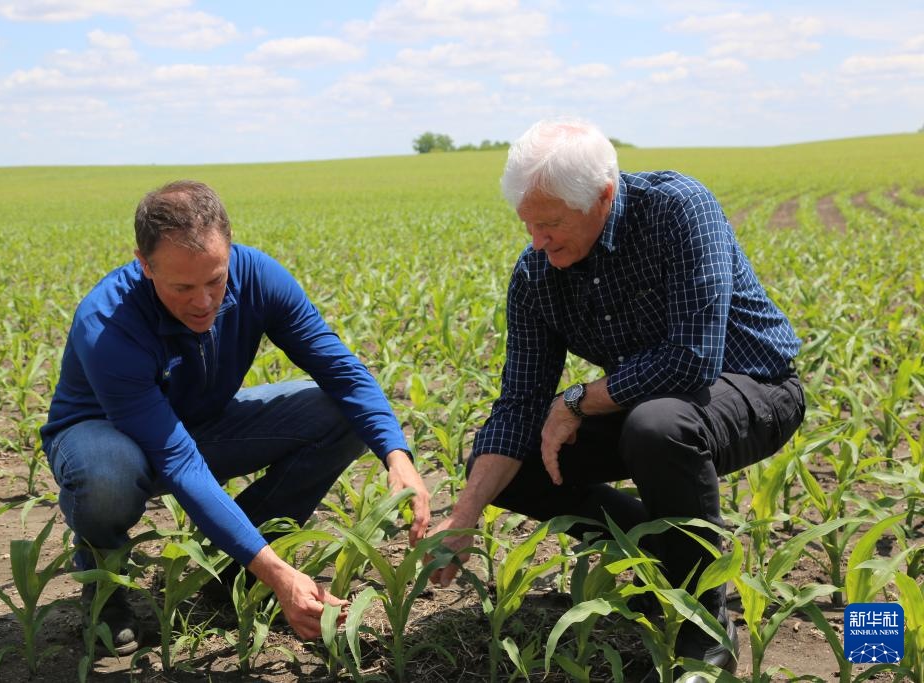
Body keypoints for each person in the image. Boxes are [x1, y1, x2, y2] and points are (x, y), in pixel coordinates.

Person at [427, 119, 804, 681]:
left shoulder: (676, 209)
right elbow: (520, 403)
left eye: (551, 223)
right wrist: (463, 516)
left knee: (657, 427)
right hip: (652, 401)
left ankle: (704, 624)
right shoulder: (536, 275)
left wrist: (577, 400)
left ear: (602, 196)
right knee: (504, 461)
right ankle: (665, 557)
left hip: (754, 385)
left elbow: (692, 358)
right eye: (527, 223)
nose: (537, 240)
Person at [41, 180, 430, 654]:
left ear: (228, 248)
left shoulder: (258, 276)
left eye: (215, 280)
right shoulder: (108, 323)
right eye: (182, 287)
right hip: (105, 437)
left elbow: (341, 370)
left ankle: (233, 577)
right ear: (144, 264)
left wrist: (397, 455)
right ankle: (104, 590)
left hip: (199, 422)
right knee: (107, 476)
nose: (204, 302)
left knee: (338, 412)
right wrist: (280, 574)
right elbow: (177, 459)